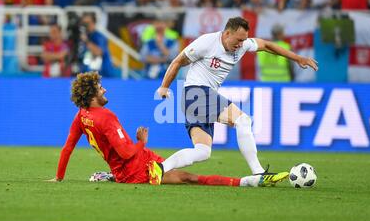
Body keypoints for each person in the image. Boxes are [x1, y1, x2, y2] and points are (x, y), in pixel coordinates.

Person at [47, 71, 288, 187]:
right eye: (100, 88)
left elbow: (68, 148)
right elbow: (125, 152)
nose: (105, 90)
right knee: (189, 178)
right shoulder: (106, 117)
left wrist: (59, 177)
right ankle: (251, 181)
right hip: (137, 170)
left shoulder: (81, 116)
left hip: (128, 169)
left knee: (187, 171)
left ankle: (112, 174)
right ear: (91, 94)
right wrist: (141, 141)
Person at [156, 17, 318, 176]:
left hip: (195, 99)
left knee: (202, 152)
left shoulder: (242, 45)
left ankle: (160, 168)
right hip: (196, 93)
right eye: (238, 40)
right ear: (227, 33)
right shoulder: (206, 43)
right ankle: (258, 172)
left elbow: (267, 45)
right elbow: (178, 61)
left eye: (244, 40)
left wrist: (298, 58)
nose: (241, 44)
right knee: (243, 120)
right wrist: (164, 86)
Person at [78, 13, 117, 77]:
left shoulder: (99, 37)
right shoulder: (82, 37)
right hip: (87, 75)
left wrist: (86, 41)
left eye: (87, 23)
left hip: (103, 75)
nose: (85, 25)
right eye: (83, 23)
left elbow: (99, 52)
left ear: (93, 23)